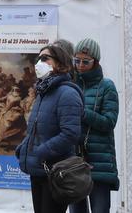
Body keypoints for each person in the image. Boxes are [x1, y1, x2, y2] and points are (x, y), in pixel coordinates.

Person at [16, 45, 83, 213]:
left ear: (61, 64)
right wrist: (24, 147)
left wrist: (42, 151)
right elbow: (36, 129)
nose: (39, 62)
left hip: (55, 172)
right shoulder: (43, 92)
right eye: (38, 59)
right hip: (39, 170)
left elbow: (70, 134)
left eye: (45, 58)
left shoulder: (67, 93)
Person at [69, 39, 119, 213]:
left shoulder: (107, 86)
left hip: (99, 163)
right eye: (77, 61)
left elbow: (109, 122)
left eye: (85, 61)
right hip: (74, 162)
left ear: (95, 62)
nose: (80, 65)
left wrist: (84, 113)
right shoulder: (70, 84)